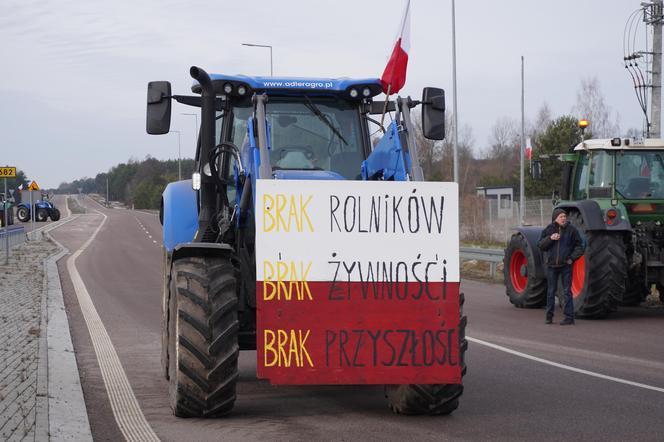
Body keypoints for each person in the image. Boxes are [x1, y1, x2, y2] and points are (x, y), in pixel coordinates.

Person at [538, 208, 584, 325]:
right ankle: (549, 317)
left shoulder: (572, 230)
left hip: (566, 266)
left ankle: (569, 318)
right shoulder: (549, 229)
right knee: (551, 292)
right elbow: (540, 245)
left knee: (567, 292)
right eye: (561, 217)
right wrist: (550, 238)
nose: (563, 218)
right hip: (552, 266)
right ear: (555, 218)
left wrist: (571, 259)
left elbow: (580, 246)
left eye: (564, 216)